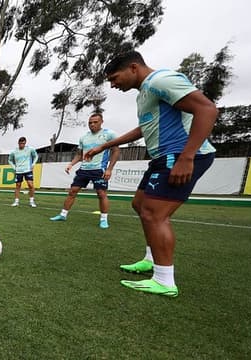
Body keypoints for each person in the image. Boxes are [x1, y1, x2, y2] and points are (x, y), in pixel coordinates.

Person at [84, 51, 217, 297]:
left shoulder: (161, 80)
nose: (113, 85)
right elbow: (144, 129)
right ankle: (150, 259)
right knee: (140, 204)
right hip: (162, 157)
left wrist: (187, 156)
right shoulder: (144, 94)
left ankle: (164, 280)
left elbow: (207, 110)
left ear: (133, 68)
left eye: (114, 78)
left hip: (180, 155)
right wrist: (103, 146)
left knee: (154, 213)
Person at [50, 113, 119, 228]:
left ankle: (103, 219)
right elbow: (79, 154)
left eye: (95, 122)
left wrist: (109, 169)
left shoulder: (109, 134)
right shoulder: (84, 138)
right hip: (84, 169)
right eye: (90, 123)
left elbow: (116, 151)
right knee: (72, 191)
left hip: (99, 170)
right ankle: (63, 215)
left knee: (101, 194)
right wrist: (71, 164)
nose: (92, 124)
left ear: (101, 122)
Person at [8, 137, 38, 207]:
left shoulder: (30, 149)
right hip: (18, 171)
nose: (22, 145)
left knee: (30, 185)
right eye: (21, 143)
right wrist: (14, 167)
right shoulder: (14, 152)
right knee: (18, 185)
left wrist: (33, 164)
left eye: (23, 143)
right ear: (18, 143)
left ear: (25, 143)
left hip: (28, 170)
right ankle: (16, 201)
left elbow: (36, 156)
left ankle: (31, 201)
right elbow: (9, 160)